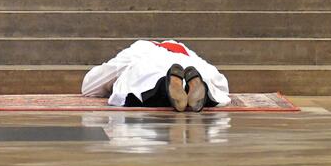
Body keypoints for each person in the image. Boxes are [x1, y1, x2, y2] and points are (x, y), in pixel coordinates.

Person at [81, 39, 230, 112]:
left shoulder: (141, 48)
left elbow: (92, 86)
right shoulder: (184, 51)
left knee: (146, 84)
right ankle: (204, 94)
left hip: (149, 68)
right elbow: (219, 79)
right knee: (211, 84)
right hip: (193, 68)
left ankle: (166, 88)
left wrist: (108, 85)